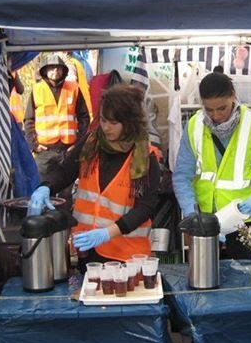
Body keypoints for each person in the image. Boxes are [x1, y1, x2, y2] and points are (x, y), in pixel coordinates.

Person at [27, 84, 161, 269]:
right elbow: (66, 171)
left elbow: (146, 206)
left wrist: (108, 233)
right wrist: (46, 187)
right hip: (88, 251)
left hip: (127, 257)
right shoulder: (91, 143)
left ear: (129, 122)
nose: (106, 128)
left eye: (114, 123)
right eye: (104, 120)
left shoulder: (146, 156)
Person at [172, 71, 251, 259]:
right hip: (206, 223)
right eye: (209, 109)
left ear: (233, 97)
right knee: (204, 279)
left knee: (246, 282)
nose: (216, 116)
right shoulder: (194, 125)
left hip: (246, 224)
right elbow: (182, 175)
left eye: (222, 108)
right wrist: (190, 211)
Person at [23, 53, 90, 206]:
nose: (55, 71)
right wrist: (33, 145)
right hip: (44, 151)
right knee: (42, 190)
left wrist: (78, 144)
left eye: (58, 68)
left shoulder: (73, 88)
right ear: (45, 71)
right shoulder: (37, 89)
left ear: (64, 71)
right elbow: (28, 120)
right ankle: (42, 225)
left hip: (68, 150)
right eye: (51, 68)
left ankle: (63, 226)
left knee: (65, 194)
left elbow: (84, 117)